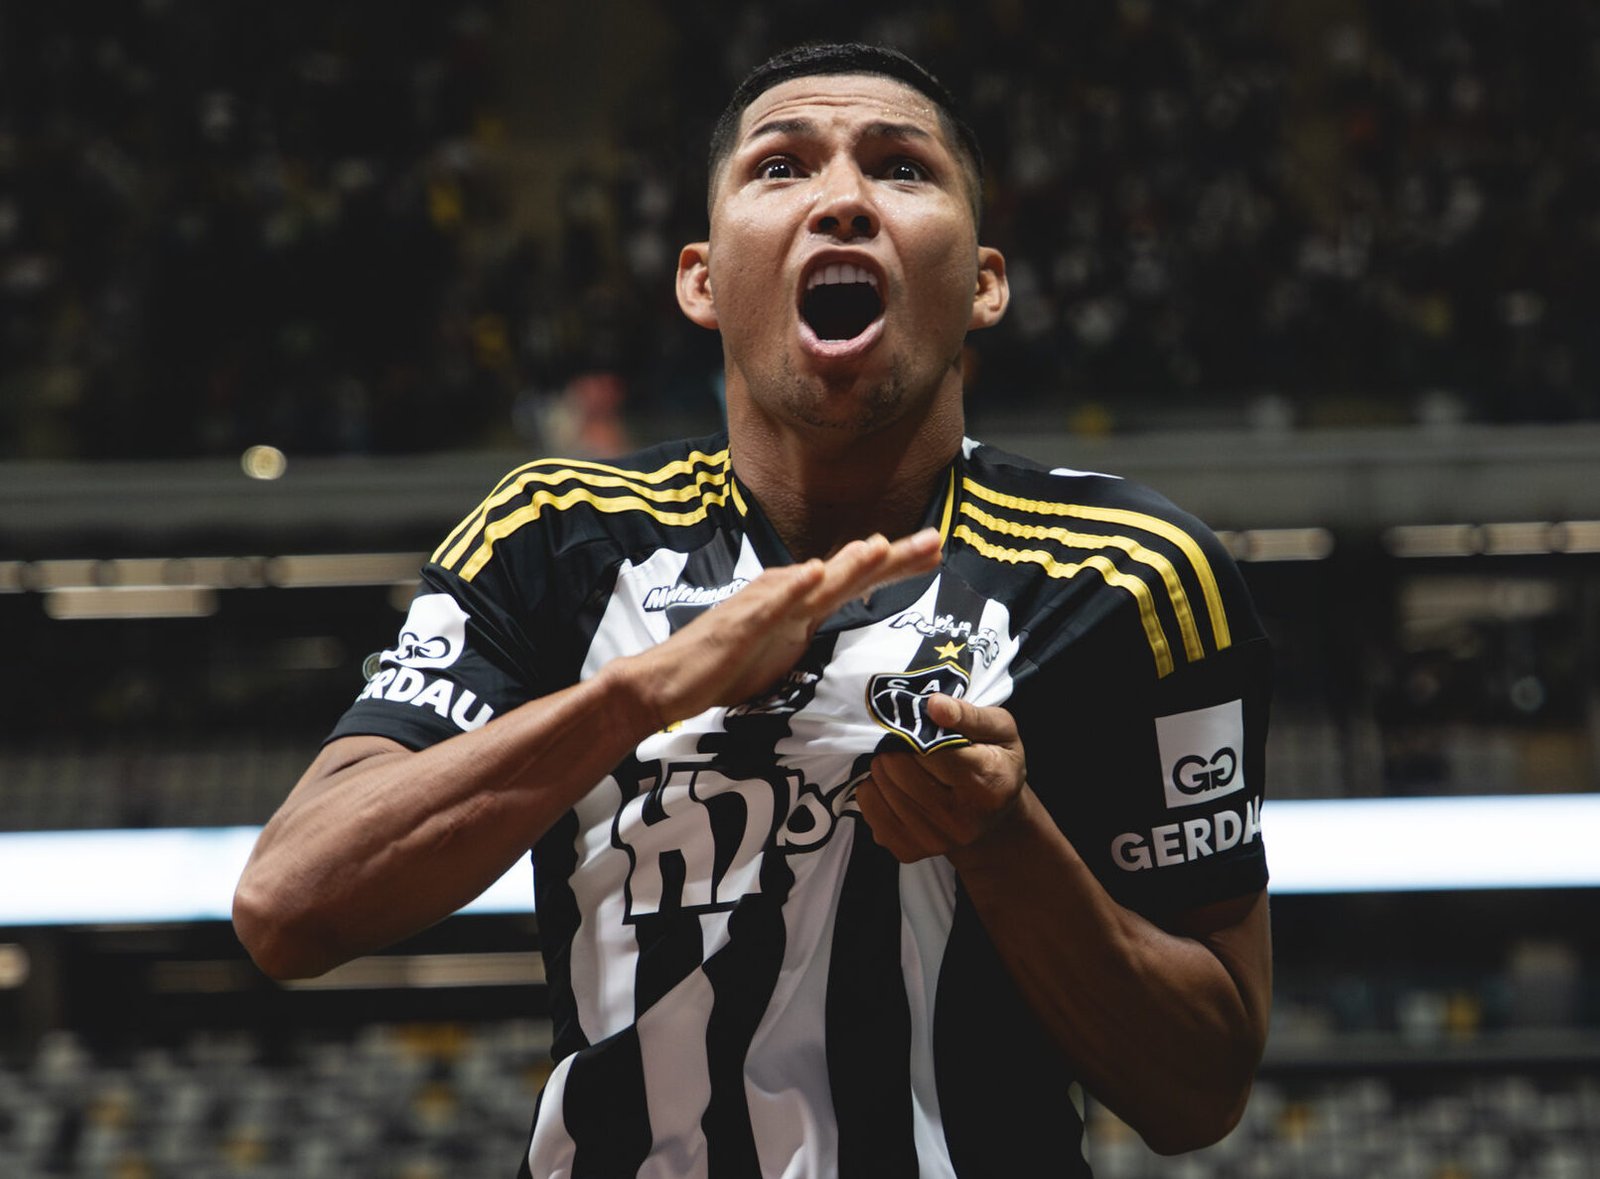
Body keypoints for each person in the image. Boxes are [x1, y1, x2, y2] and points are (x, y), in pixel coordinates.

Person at [233, 42, 1273, 1177]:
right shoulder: (553, 535)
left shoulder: (1131, 573)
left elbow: (1201, 1089)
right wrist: (638, 695)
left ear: (985, 283)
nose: (843, 200)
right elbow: (289, 905)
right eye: (781, 167)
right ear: (701, 280)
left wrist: (1005, 839)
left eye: (902, 167)